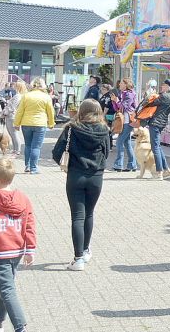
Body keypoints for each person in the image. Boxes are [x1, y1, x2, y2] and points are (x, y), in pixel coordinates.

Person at [52, 99, 111, 272]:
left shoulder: (71, 128)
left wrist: (67, 164)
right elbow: (106, 153)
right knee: (89, 213)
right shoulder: (104, 130)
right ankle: (85, 251)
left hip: (75, 175)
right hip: (96, 176)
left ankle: (78, 259)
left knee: (77, 216)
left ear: (81, 111)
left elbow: (57, 153)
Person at [0, 159, 36, 332]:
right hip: (17, 250)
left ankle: (20, 327)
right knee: (5, 287)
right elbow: (30, 224)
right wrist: (30, 249)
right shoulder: (23, 198)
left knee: (7, 290)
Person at [13, 77, 56, 175]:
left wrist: (16, 123)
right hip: (40, 124)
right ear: (43, 85)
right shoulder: (46, 97)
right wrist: (51, 124)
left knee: (28, 145)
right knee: (36, 147)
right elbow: (50, 112)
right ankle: (33, 168)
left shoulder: (26, 96)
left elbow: (20, 111)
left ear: (32, 85)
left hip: (26, 123)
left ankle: (27, 166)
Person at [138, 79, 170, 179]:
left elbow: (149, 103)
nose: (161, 87)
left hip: (155, 122)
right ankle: (166, 170)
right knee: (157, 146)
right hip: (161, 122)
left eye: (163, 85)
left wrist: (148, 92)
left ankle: (159, 172)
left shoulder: (164, 96)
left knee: (155, 147)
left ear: (168, 87)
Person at [111, 79, 138, 172]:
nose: (119, 84)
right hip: (123, 120)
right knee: (127, 143)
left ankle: (119, 165)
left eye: (122, 83)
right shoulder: (121, 93)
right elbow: (117, 108)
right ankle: (132, 165)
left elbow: (125, 106)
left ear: (126, 85)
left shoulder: (130, 94)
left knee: (119, 142)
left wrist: (117, 100)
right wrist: (114, 101)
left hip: (129, 121)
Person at [5, 81, 27, 158]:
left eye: (15, 85)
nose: (13, 86)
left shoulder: (18, 96)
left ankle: (17, 151)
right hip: (11, 116)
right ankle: (15, 150)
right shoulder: (18, 95)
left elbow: (12, 107)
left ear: (19, 87)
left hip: (12, 116)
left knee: (14, 134)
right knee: (12, 134)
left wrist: (4, 112)